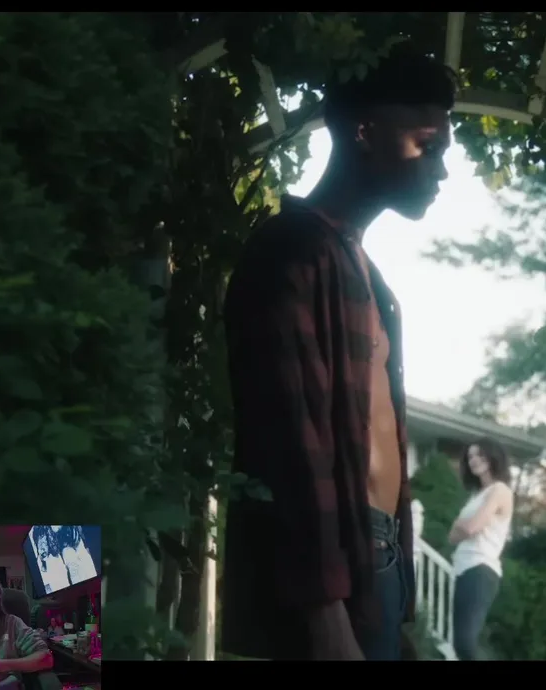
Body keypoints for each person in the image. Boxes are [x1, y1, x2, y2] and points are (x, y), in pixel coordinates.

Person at [220, 44, 457, 661]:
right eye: (429, 146)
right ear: (365, 132)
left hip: (374, 563)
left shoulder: (361, 267)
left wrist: (392, 604)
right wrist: (326, 616)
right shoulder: (291, 253)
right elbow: (289, 446)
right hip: (327, 579)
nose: (441, 171)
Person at [448, 439, 514, 661]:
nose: (474, 460)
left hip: (481, 569)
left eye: (480, 455)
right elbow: (452, 536)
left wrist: (463, 526)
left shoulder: (500, 490)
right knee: (460, 644)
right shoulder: (476, 496)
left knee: (465, 643)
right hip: (463, 569)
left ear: (493, 457)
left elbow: (470, 527)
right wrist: (463, 527)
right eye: (470, 457)